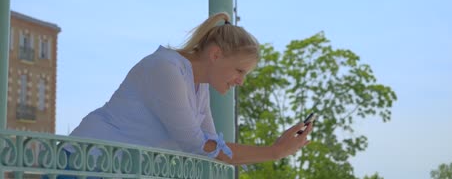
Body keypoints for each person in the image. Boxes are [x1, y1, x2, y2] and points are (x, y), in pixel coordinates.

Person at [70, 12, 313, 165]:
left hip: (112, 168)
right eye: (240, 71)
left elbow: (211, 148)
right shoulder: (165, 67)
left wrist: (276, 147)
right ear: (216, 55)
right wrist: (274, 152)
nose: (241, 82)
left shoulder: (198, 85)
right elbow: (198, 146)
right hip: (83, 164)